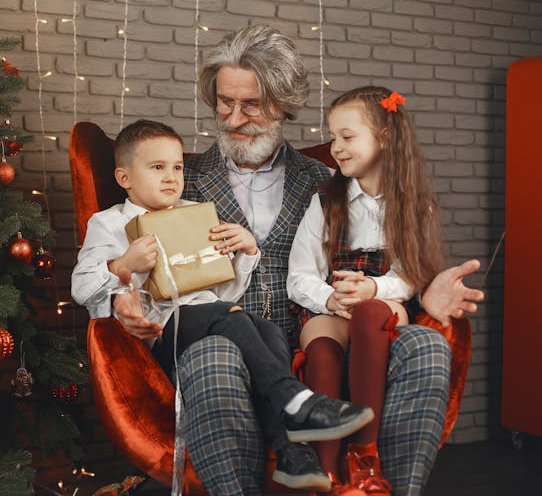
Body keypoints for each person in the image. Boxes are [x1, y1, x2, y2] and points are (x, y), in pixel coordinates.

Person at [114, 25, 484, 496]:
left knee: (428, 347)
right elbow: (125, 261)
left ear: (283, 103)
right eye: (224, 103)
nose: (233, 118)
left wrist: (424, 289)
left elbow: (390, 252)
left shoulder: (329, 182)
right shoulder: (175, 183)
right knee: (211, 354)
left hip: (322, 332)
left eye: (251, 105)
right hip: (227, 345)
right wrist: (124, 299)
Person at [71, 119, 375, 492]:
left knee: (268, 332)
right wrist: (123, 266)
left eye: (178, 167)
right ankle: (295, 401)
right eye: (157, 167)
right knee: (223, 316)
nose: (171, 177)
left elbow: (223, 292)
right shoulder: (109, 223)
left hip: (210, 320)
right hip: (162, 337)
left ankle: (290, 453)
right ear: (124, 178)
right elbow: (82, 287)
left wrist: (246, 251)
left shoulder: (196, 212)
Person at [286, 86, 444, 495]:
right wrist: (331, 298)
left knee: (373, 312)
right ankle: (326, 470)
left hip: (384, 301)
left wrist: (371, 287)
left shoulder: (413, 202)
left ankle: (363, 458)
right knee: (321, 348)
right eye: (332, 136)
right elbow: (300, 274)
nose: (335, 147)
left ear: (385, 138)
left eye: (347, 136)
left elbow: (413, 275)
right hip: (330, 305)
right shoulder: (326, 199)